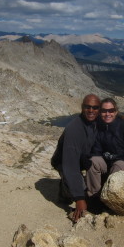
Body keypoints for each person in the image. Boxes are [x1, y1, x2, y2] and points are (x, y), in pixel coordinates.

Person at [50, 94, 101, 222]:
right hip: (64, 161)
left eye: (95, 108)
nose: (91, 110)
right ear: (82, 107)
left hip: (81, 158)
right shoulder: (74, 129)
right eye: (87, 107)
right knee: (83, 194)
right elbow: (70, 164)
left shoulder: (97, 122)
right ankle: (64, 191)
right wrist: (79, 199)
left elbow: (116, 127)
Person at [86, 97, 124, 198]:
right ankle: (94, 196)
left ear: (116, 112)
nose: (107, 114)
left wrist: (115, 159)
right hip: (110, 163)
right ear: (100, 112)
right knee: (93, 161)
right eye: (104, 111)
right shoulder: (99, 127)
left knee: (118, 165)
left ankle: (109, 199)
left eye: (111, 110)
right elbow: (96, 151)